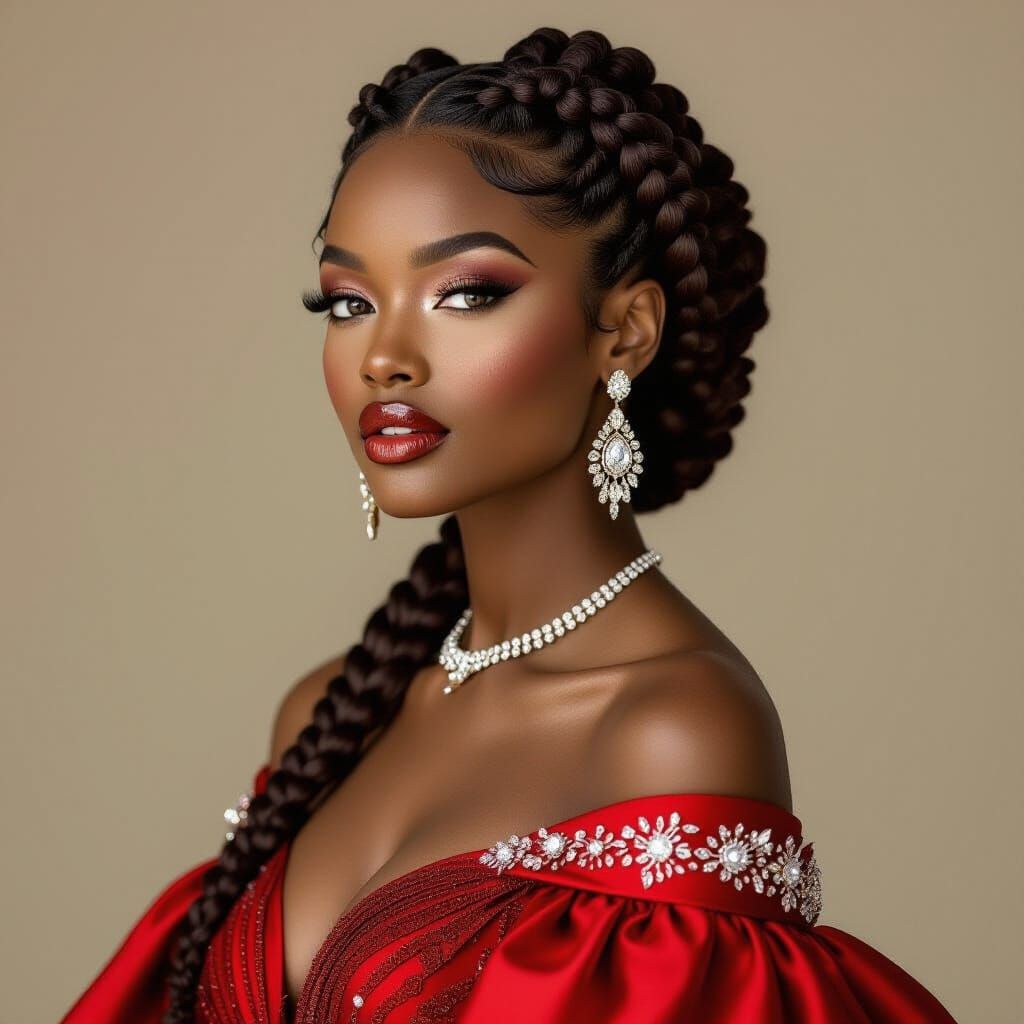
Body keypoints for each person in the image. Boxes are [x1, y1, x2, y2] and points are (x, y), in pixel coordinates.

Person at [61, 25, 958, 1024]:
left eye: (466, 293)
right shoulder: (330, 712)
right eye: (347, 300)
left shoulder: (672, 731)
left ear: (624, 330)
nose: (384, 357)